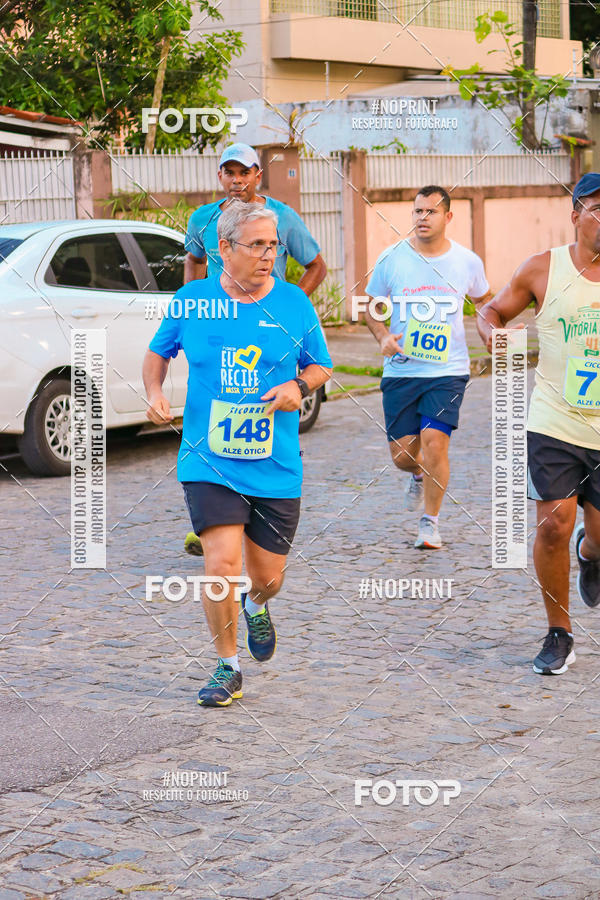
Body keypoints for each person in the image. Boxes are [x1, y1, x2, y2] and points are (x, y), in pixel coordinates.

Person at [143, 200, 332, 706]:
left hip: (275, 465)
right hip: (210, 459)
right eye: (258, 245)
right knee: (221, 564)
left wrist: (298, 387)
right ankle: (228, 666)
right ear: (224, 248)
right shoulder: (192, 300)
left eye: (274, 245)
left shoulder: (293, 303)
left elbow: (320, 366)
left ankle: (256, 603)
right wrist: (155, 393)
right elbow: (157, 353)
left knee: (268, 577)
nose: (269, 255)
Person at [477, 172, 600, 675]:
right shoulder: (543, 268)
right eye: (597, 208)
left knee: (596, 536)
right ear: (575, 216)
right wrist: (492, 334)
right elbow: (492, 310)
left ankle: (590, 551)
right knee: (552, 526)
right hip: (555, 421)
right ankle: (559, 633)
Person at [364, 185, 491, 549]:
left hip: (447, 371)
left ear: (448, 217)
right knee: (403, 455)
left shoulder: (466, 261)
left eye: (431, 211)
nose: (422, 217)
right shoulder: (392, 258)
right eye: (418, 211)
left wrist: (491, 331)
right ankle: (418, 474)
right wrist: (382, 336)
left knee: (436, 442)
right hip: (402, 370)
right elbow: (371, 305)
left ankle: (430, 523)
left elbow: (485, 302)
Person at [183, 142, 327, 296]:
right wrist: (191, 301)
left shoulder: (282, 216)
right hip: (222, 310)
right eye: (229, 173)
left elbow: (317, 266)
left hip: (266, 310)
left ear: (258, 177)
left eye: (245, 173)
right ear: (220, 176)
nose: (237, 180)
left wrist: (291, 303)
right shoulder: (202, 219)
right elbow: (195, 260)